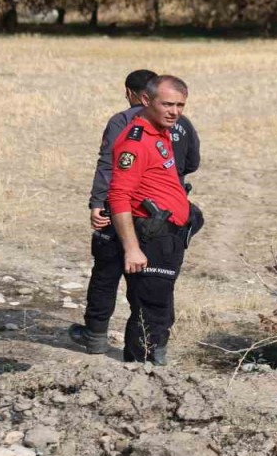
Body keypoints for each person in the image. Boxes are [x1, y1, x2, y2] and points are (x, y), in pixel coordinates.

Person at [71, 72, 200, 359]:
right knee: (150, 311)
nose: (175, 112)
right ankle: (140, 378)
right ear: (145, 99)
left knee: (158, 308)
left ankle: (151, 370)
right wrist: (131, 249)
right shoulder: (136, 140)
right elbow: (118, 195)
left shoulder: (163, 132)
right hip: (149, 236)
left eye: (180, 106)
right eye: (167, 104)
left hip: (167, 236)